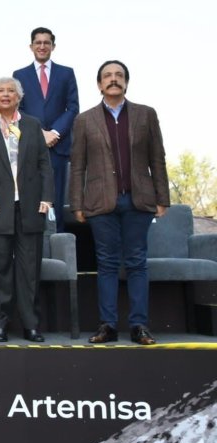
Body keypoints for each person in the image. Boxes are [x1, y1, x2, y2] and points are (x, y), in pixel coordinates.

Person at [69, 60, 170, 346]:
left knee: (138, 263)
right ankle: (108, 326)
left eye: (119, 75)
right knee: (107, 264)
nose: (113, 79)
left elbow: (157, 159)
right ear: (99, 84)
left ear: (126, 81)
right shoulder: (84, 120)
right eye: (107, 76)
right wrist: (77, 203)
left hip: (139, 200)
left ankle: (139, 326)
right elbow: (78, 166)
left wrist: (163, 198)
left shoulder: (146, 115)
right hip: (101, 203)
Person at [0, 77, 54, 343]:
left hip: (29, 207)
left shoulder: (31, 124)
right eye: (1, 91)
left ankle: (31, 325)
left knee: (29, 271)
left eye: (11, 91)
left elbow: (44, 165)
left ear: (19, 97)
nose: (6, 95)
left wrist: (47, 197)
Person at [13, 27, 79, 232]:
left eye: (46, 42)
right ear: (31, 46)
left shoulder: (66, 73)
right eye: (38, 42)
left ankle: (56, 245)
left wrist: (55, 133)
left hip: (58, 146)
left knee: (56, 199)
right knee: (31, 196)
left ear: (53, 46)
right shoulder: (19, 75)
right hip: (30, 145)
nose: (42, 46)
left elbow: (73, 107)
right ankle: (33, 246)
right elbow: (17, 109)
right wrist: (39, 133)